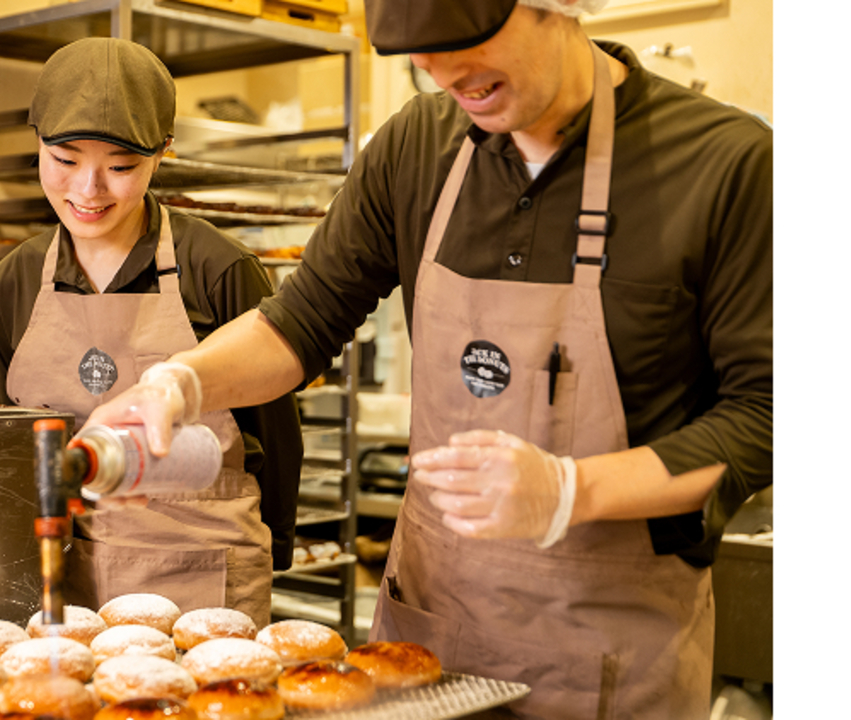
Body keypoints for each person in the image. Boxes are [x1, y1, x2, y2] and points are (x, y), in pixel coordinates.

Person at [85, 1, 772, 717]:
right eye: (420, 53)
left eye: (466, 41)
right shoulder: (418, 147)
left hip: (611, 650)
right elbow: (300, 322)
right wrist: (180, 380)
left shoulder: (726, 164)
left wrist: (573, 491)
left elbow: (769, 415)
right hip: (429, 642)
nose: (441, 72)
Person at [0, 37, 303, 628]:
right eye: (65, 160)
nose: (88, 189)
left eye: (121, 167)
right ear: (38, 144)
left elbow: (276, 435)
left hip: (202, 575)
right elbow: (17, 437)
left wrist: (275, 549)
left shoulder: (219, 270)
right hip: (63, 572)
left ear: (164, 154)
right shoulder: (15, 280)